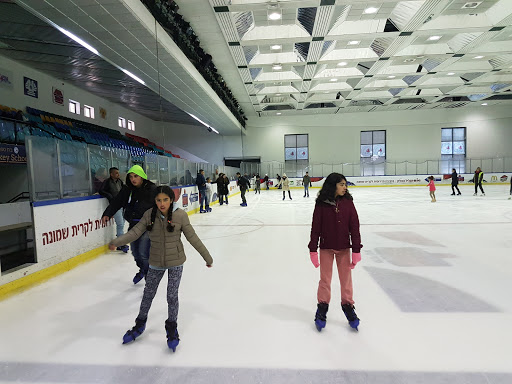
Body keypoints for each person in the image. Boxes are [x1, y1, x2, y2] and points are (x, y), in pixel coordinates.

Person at [109, 186, 213, 352]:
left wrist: (207, 258)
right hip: (156, 261)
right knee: (148, 294)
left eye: (165, 200)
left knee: (172, 296)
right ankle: (140, 324)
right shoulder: (149, 215)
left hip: (176, 261)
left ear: (171, 200)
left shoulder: (180, 215)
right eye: (158, 200)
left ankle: (171, 326)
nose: (162, 203)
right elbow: (135, 232)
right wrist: (117, 241)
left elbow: (193, 238)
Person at [308, 173, 362, 332]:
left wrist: (356, 249)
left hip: (344, 248)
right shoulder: (321, 204)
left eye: (345, 184)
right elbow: (315, 227)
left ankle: (348, 306)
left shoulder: (348, 203)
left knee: (346, 281)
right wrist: (313, 249)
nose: (345, 187)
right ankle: (322, 308)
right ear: (333, 186)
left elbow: (354, 226)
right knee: (325, 280)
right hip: (326, 247)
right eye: (342, 184)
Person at [101, 165, 156, 284]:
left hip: (147, 225)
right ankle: (143, 269)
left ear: (142, 176)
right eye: (131, 177)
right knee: (135, 252)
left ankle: (149, 279)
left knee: (143, 252)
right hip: (133, 224)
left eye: (136, 176)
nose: (133, 179)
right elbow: (117, 201)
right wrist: (108, 213)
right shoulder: (128, 189)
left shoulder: (151, 188)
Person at [99, 167, 128, 252]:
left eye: (118, 173)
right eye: (116, 173)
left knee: (122, 223)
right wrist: (110, 196)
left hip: (122, 205)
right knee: (120, 224)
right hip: (115, 206)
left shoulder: (120, 182)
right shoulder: (107, 182)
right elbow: (101, 191)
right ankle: (121, 243)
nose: (118, 174)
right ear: (111, 174)